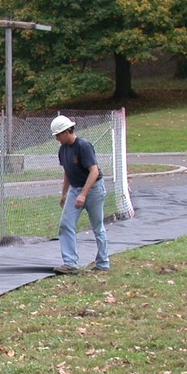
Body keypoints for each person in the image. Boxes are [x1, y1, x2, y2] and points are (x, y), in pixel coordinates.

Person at [51, 115, 109, 274]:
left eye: (58, 135)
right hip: (75, 189)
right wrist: (64, 194)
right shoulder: (63, 150)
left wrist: (83, 195)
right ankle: (70, 263)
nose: (56, 138)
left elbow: (94, 172)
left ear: (67, 131)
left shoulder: (83, 146)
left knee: (97, 226)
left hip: (94, 189)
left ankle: (103, 263)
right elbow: (67, 172)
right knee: (66, 224)